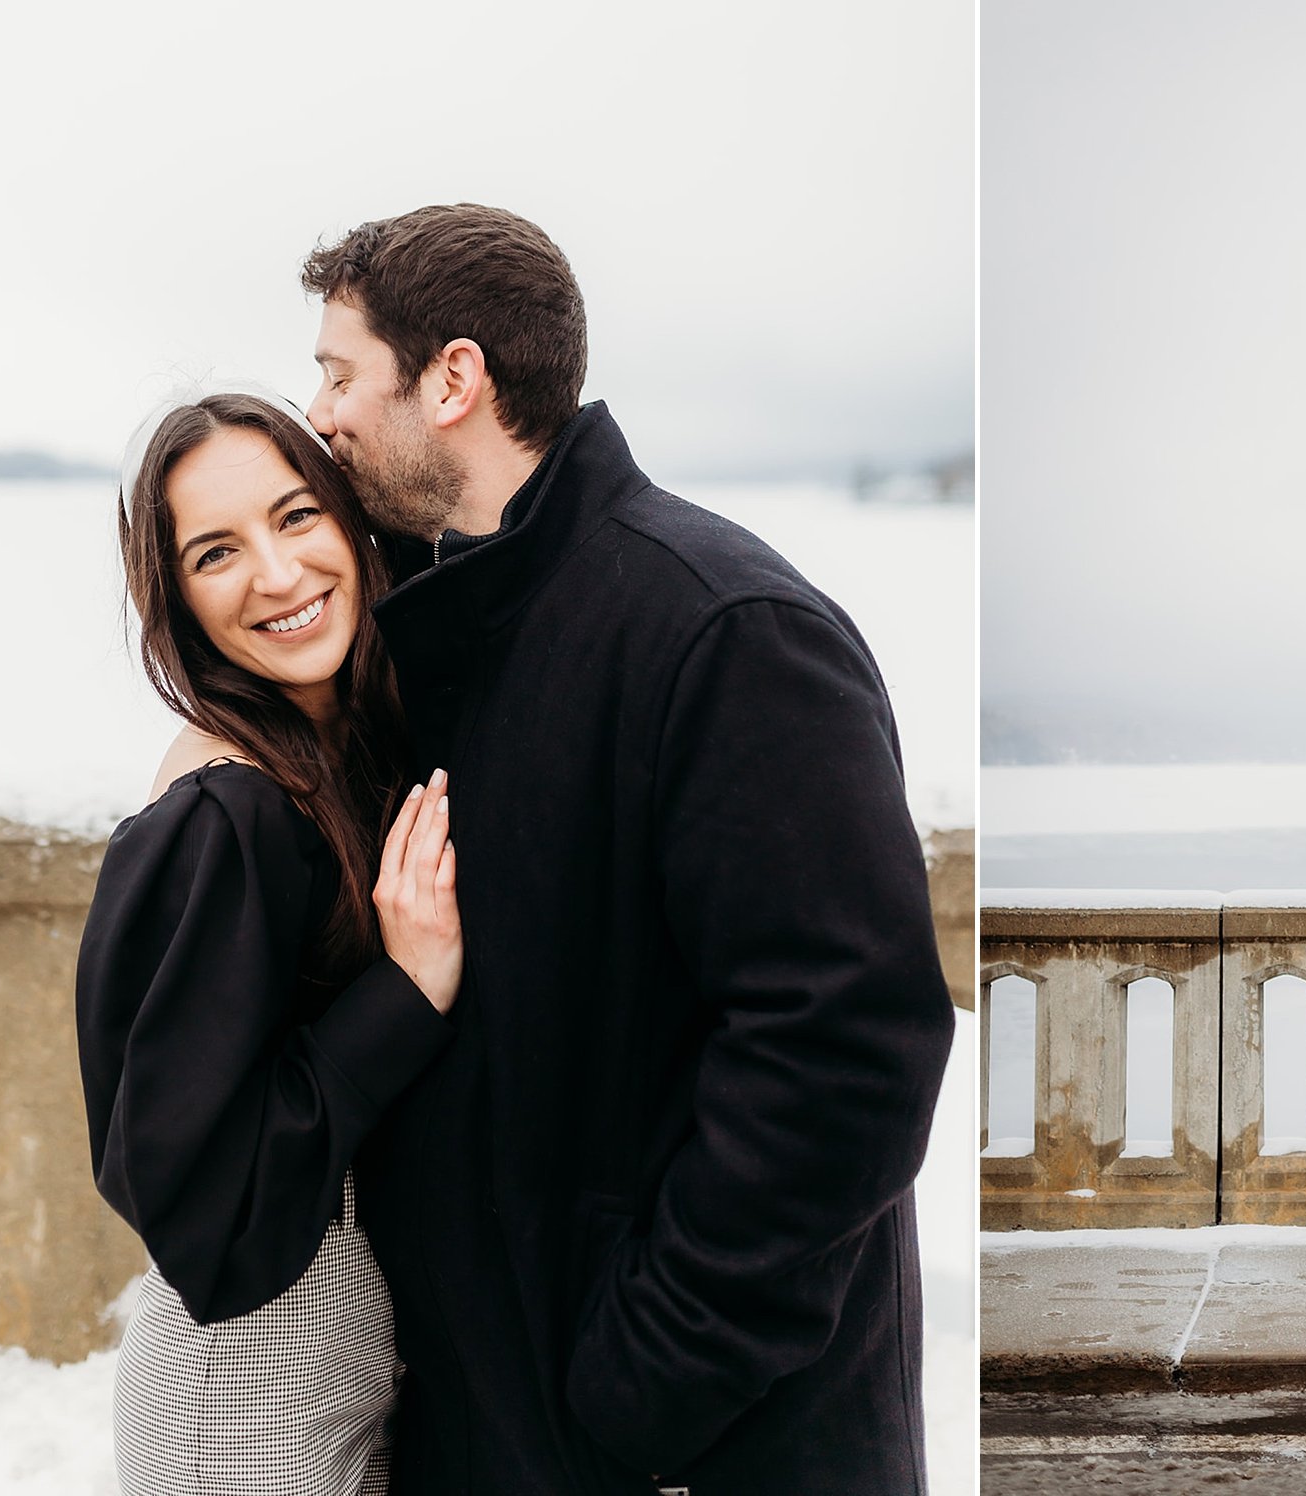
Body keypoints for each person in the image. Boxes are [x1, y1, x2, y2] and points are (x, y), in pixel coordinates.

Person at [299, 204, 955, 1494]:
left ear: (453, 379)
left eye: (335, 372)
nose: (317, 410)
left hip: (691, 1443)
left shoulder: (725, 631)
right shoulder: (451, 627)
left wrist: (642, 1390)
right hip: (517, 1421)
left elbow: (846, 1053)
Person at [76, 391, 464, 1493]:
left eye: (297, 517)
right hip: (243, 1391)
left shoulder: (338, 748)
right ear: (179, 599)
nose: (278, 574)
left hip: (347, 1365)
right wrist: (406, 987)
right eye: (216, 552)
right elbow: (194, 1191)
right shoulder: (225, 811)